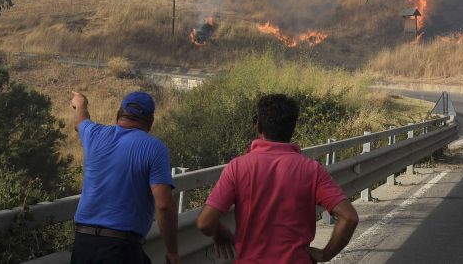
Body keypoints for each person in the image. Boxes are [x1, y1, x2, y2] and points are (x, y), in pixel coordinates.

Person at [196, 93, 359, 263]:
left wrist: (219, 232)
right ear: (293, 127)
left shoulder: (237, 167)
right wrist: (325, 255)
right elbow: (349, 217)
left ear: (258, 125)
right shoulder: (312, 170)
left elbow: (205, 222)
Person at [71, 90, 179, 264]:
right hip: (121, 249)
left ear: (118, 115)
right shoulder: (155, 148)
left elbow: (79, 121)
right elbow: (164, 204)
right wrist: (172, 251)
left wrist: (81, 103)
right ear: (150, 122)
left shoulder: (94, 135)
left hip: (83, 245)